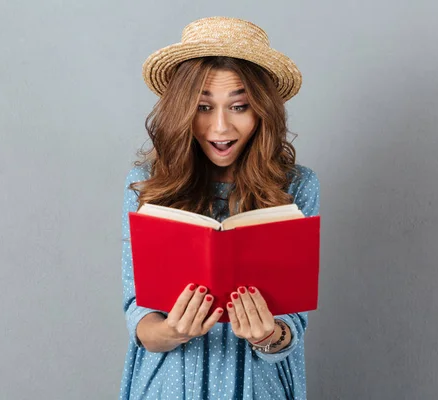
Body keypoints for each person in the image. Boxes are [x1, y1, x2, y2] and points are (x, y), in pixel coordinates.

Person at [119, 16, 320, 400]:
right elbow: (137, 314)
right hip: (169, 383)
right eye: (203, 107)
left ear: (262, 111)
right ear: (182, 111)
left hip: (258, 387)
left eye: (239, 106)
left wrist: (268, 335)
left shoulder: (297, 186)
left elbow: (294, 323)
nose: (220, 128)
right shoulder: (146, 184)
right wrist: (172, 332)